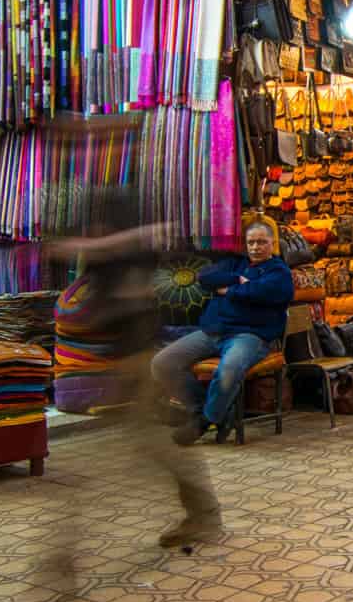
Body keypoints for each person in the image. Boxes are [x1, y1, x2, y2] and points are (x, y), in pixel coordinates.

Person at [49, 187, 223, 550]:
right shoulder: (116, 250)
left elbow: (134, 290)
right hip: (121, 355)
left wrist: (102, 245)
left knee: (150, 441)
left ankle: (203, 513)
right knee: (143, 443)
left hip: (137, 355)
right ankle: (202, 512)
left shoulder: (135, 248)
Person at [154, 223, 295, 445]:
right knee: (162, 363)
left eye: (261, 242)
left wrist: (228, 290)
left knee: (228, 370)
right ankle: (209, 410)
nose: (256, 247)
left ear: (272, 243)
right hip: (213, 332)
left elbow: (261, 291)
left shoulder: (279, 272)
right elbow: (205, 277)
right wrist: (238, 280)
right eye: (251, 242)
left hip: (249, 336)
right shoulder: (235, 263)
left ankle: (204, 422)